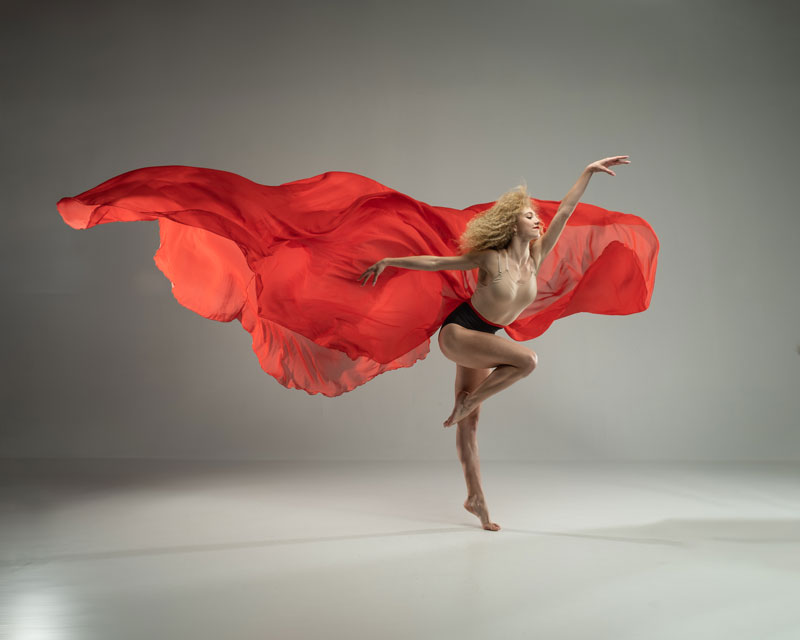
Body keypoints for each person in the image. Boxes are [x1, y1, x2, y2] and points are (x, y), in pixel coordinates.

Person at [358, 156, 631, 530]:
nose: (538, 219)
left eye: (537, 215)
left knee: (468, 423)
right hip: (459, 333)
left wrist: (587, 172)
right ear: (510, 223)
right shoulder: (490, 258)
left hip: (484, 338)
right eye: (529, 216)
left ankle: (475, 499)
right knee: (527, 361)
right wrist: (390, 261)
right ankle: (469, 401)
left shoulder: (536, 258)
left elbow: (566, 212)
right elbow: (438, 264)